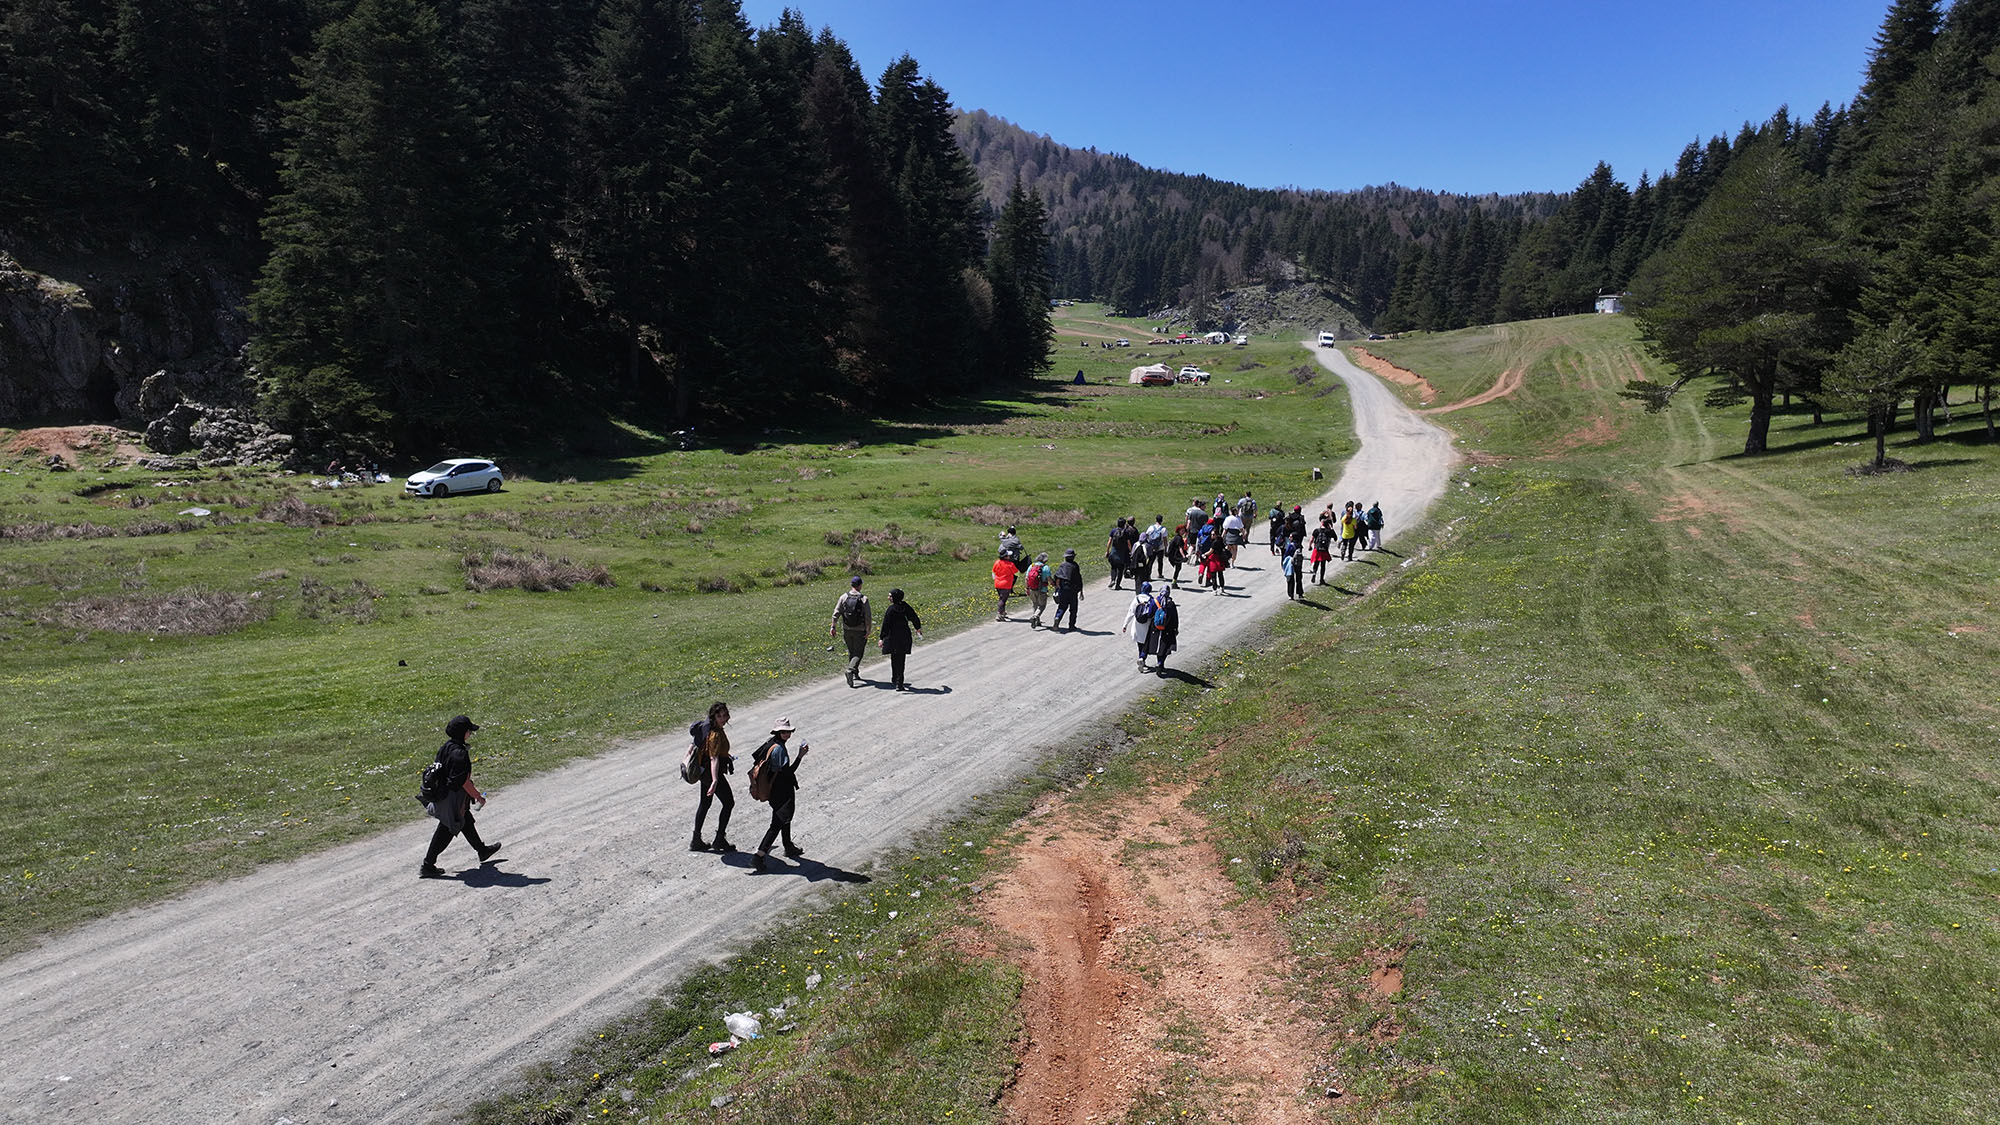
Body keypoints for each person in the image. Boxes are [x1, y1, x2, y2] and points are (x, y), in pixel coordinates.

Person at [419, 715, 501, 878]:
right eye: (469, 730)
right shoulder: (459, 754)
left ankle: (482, 850)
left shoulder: (446, 747)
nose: (470, 733)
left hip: (443, 794)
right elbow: (463, 783)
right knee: (449, 827)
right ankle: (428, 865)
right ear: (462, 732)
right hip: (452, 798)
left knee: (465, 820)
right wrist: (478, 797)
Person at [751, 718, 810, 870]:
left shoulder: (770, 743)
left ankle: (788, 845)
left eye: (788, 731)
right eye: (784, 732)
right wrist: (800, 756)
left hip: (773, 790)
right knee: (778, 822)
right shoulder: (779, 749)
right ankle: (759, 855)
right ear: (778, 732)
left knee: (785, 816)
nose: (787, 734)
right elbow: (788, 772)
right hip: (781, 790)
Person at [690, 701, 736, 852]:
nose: (723, 718)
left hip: (705, 774)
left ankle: (696, 840)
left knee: (704, 804)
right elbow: (713, 758)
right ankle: (719, 839)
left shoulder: (710, 729)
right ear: (713, 717)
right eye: (719, 716)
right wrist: (715, 780)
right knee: (729, 803)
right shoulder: (715, 734)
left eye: (724, 715)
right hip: (711, 774)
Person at [831, 576, 872, 687]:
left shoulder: (844, 597)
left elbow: (836, 613)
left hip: (847, 628)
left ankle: (855, 673)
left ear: (851, 585)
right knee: (858, 652)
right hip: (860, 629)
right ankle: (850, 670)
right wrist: (868, 630)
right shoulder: (864, 599)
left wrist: (833, 627)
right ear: (860, 585)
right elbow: (868, 617)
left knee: (851, 651)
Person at [879, 588, 924, 689]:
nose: (888, 598)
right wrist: (918, 628)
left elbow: (886, 625)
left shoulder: (891, 610)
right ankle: (899, 681)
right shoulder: (905, 607)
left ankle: (896, 679)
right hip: (904, 636)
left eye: (890, 596)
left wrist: (882, 638)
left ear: (894, 597)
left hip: (893, 637)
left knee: (894, 658)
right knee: (901, 659)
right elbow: (914, 617)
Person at [1120, 581, 1155, 671]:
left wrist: (1125, 625)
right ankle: (1142, 659)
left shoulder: (1137, 599)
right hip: (1147, 625)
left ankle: (1141, 659)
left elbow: (1130, 613)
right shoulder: (1151, 600)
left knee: (1140, 644)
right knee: (1146, 644)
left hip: (1137, 625)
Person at [1145, 587, 1179, 673]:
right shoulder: (1171, 603)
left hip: (1155, 627)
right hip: (1168, 629)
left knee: (1157, 646)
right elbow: (1175, 617)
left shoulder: (1155, 601)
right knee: (1165, 647)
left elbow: (1149, 614)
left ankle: (1157, 662)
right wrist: (1176, 628)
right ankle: (1160, 663)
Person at [1051, 547, 1084, 631]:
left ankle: (1057, 617)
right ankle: (1071, 625)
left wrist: (1057, 587)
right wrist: (1081, 590)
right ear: (1073, 557)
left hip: (1063, 589)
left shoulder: (1062, 565)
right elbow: (1078, 578)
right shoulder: (1075, 566)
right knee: (1073, 609)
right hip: (1073, 590)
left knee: (1062, 606)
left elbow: (1057, 577)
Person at [1022, 552, 1052, 628]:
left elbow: (1026, 578)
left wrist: (1027, 588)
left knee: (1035, 604)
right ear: (1045, 560)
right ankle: (1035, 616)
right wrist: (1054, 584)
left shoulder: (1031, 566)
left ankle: (1037, 622)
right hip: (1042, 590)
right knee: (1042, 605)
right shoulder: (1045, 568)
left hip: (1031, 589)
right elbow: (1049, 579)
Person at [992, 553, 1021, 620]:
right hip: (1006, 584)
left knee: (1002, 598)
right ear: (1006, 557)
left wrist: (996, 579)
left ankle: (1003, 612)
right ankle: (999, 614)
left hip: (997, 583)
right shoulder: (1010, 564)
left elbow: (993, 572)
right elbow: (1017, 573)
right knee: (1002, 599)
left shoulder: (997, 562)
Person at [1105, 519, 1131, 591]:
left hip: (1114, 551)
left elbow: (1109, 542)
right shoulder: (1126, 532)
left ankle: (1112, 579)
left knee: (1113, 567)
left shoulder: (1113, 531)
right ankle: (1117, 585)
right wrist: (1131, 551)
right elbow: (1128, 544)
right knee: (1121, 569)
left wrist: (1107, 551)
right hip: (1122, 553)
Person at [1310, 517, 1333, 584]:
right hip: (1324, 550)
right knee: (1323, 565)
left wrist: (1310, 546)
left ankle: (1314, 573)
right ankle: (1321, 579)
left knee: (1316, 563)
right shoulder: (1328, 531)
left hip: (1317, 549)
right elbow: (1335, 537)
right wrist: (1331, 528)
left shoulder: (1316, 530)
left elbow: (1312, 539)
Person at [1282, 532, 1305, 599]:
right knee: (1299, 579)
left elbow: (1286, 554)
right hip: (1298, 563)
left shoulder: (1290, 545)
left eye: (1290, 537)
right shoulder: (1299, 545)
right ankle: (1300, 594)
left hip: (1291, 563)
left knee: (1290, 579)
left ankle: (1291, 594)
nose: (1289, 538)